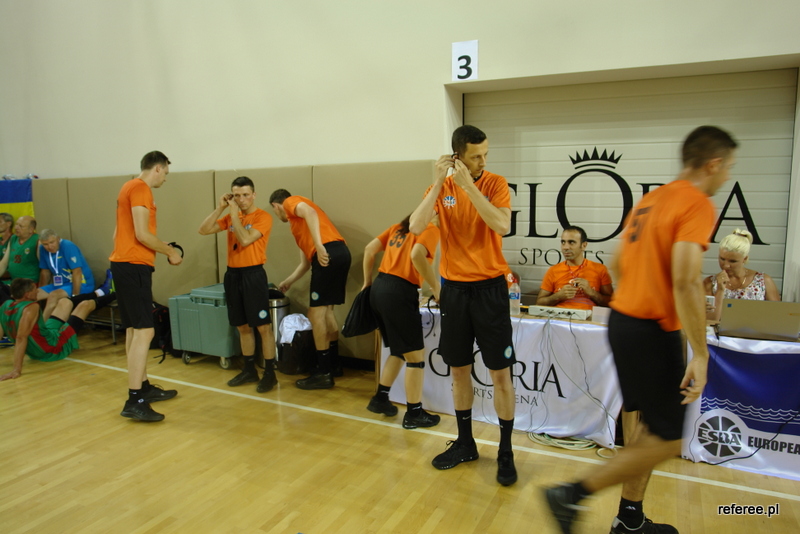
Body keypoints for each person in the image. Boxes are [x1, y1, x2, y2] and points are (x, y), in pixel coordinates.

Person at [544, 125, 738, 534]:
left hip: (624, 322)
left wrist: (639, 296)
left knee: (649, 429)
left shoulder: (652, 200)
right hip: (651, 329)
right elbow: (685, 279)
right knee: (668, 437)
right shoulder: (697, 203)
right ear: (713, 163)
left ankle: (629, 518)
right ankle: (573, 493)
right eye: (728, 168)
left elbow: (618, 262)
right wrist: (701, 354)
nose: (727, 177)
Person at [409, 124, 517, 486]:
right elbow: (416, 226)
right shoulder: (442, 189)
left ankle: (505, 451)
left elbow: (502, 225)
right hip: (454, 291)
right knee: (458, 371)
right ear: (458, 156)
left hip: (490, 289)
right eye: (475, 156)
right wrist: (439, 182)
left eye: (485, 154)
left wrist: (469, 186)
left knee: (500, 374)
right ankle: (466, 443)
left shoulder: (495, 183)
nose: (483, 161)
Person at [109, 151, 183, 422]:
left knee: (133, 329)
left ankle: (143, 387)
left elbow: (118, 233)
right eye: (166, 173)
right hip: (133, 265)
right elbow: (142, 234)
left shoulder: (127, 187)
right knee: (145, 331)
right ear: (158, 168)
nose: (165, 179)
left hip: (123, 263)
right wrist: (170, 251)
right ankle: (135, 399)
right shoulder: (140, 188)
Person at [198, 176, 278, 393]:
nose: (241, 200)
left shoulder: (262, 217)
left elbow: (245, 239)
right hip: (233, 275)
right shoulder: (231, 215)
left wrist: (234, 215)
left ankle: (270, 374)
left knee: (262, 326)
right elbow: (204, 230)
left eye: (245, 195)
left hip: (253, 274)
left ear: (253, 195)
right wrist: (220, 208)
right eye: (236, 195)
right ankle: (249, 370)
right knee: (242, 326)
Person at [363, 214, 442, 429]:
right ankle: (414, 413)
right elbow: (417, 255)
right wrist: (436, 287)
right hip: (399, 292)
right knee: (415, 357)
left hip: (379, 287)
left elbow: (369, 249)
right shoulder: (431, 229)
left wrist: (367, 282)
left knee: (400, 350)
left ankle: (380, 398)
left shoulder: (398, 227)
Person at [269, 189, 351, 390]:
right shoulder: (298, 225)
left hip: (328, 252)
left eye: (274, 211)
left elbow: (310, 212)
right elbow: (305, 264)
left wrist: (319, 245)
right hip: (340, 253)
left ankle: (323, 373)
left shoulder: (290, 202)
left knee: (315, 315)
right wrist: (288, 281)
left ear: (276, 206)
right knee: (327, 311)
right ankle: (333, 365)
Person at [0, 278, 116, 381]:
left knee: (64, 301)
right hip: (51, 348)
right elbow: (21, 338)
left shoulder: (5, 305)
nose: (38, 291)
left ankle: (102, 291)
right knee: (85, 305)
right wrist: (16, 369)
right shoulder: (31, 307)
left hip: (44, 338)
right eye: (35, 289)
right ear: (27, 294)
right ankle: (117, 294)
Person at [704, 228, 781, 321]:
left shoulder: (763, 281)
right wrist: (720, 290)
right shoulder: (710, 283)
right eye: (722, 259)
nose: (726, 265)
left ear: (745, 259)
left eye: (733, 261)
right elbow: (711, 321)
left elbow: (777, 316)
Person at [36, 228, 113, 319]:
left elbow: (77, 272)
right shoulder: (42, 249)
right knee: (33, 295)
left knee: (54, 296)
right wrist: (42, 290)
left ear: (58, 239)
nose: (49, 247)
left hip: (81, 283)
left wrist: (75, 297)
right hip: (60, 284)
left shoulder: (68, 246)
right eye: (45, 244)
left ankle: (43, 326)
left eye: (52, 242)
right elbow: (45, 272)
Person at [536, 226, 613, 309]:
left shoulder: (599, 269)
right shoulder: (553, 270)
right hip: (560, 315)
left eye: (571, 242)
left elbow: (610, 303)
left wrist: (591, 292)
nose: (565, 247)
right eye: (563, 242)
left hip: (588, 316)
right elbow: (539, 303)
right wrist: (558, 296)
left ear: (583, 245)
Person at [0, 216, 40, 285]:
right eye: (16, 224)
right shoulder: (13, 238)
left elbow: (45, 268)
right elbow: (4, 263)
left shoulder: (37, 241)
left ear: (31, 229)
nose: (16, 228)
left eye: (21, 226)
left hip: (29, 284)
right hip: (13, 281)